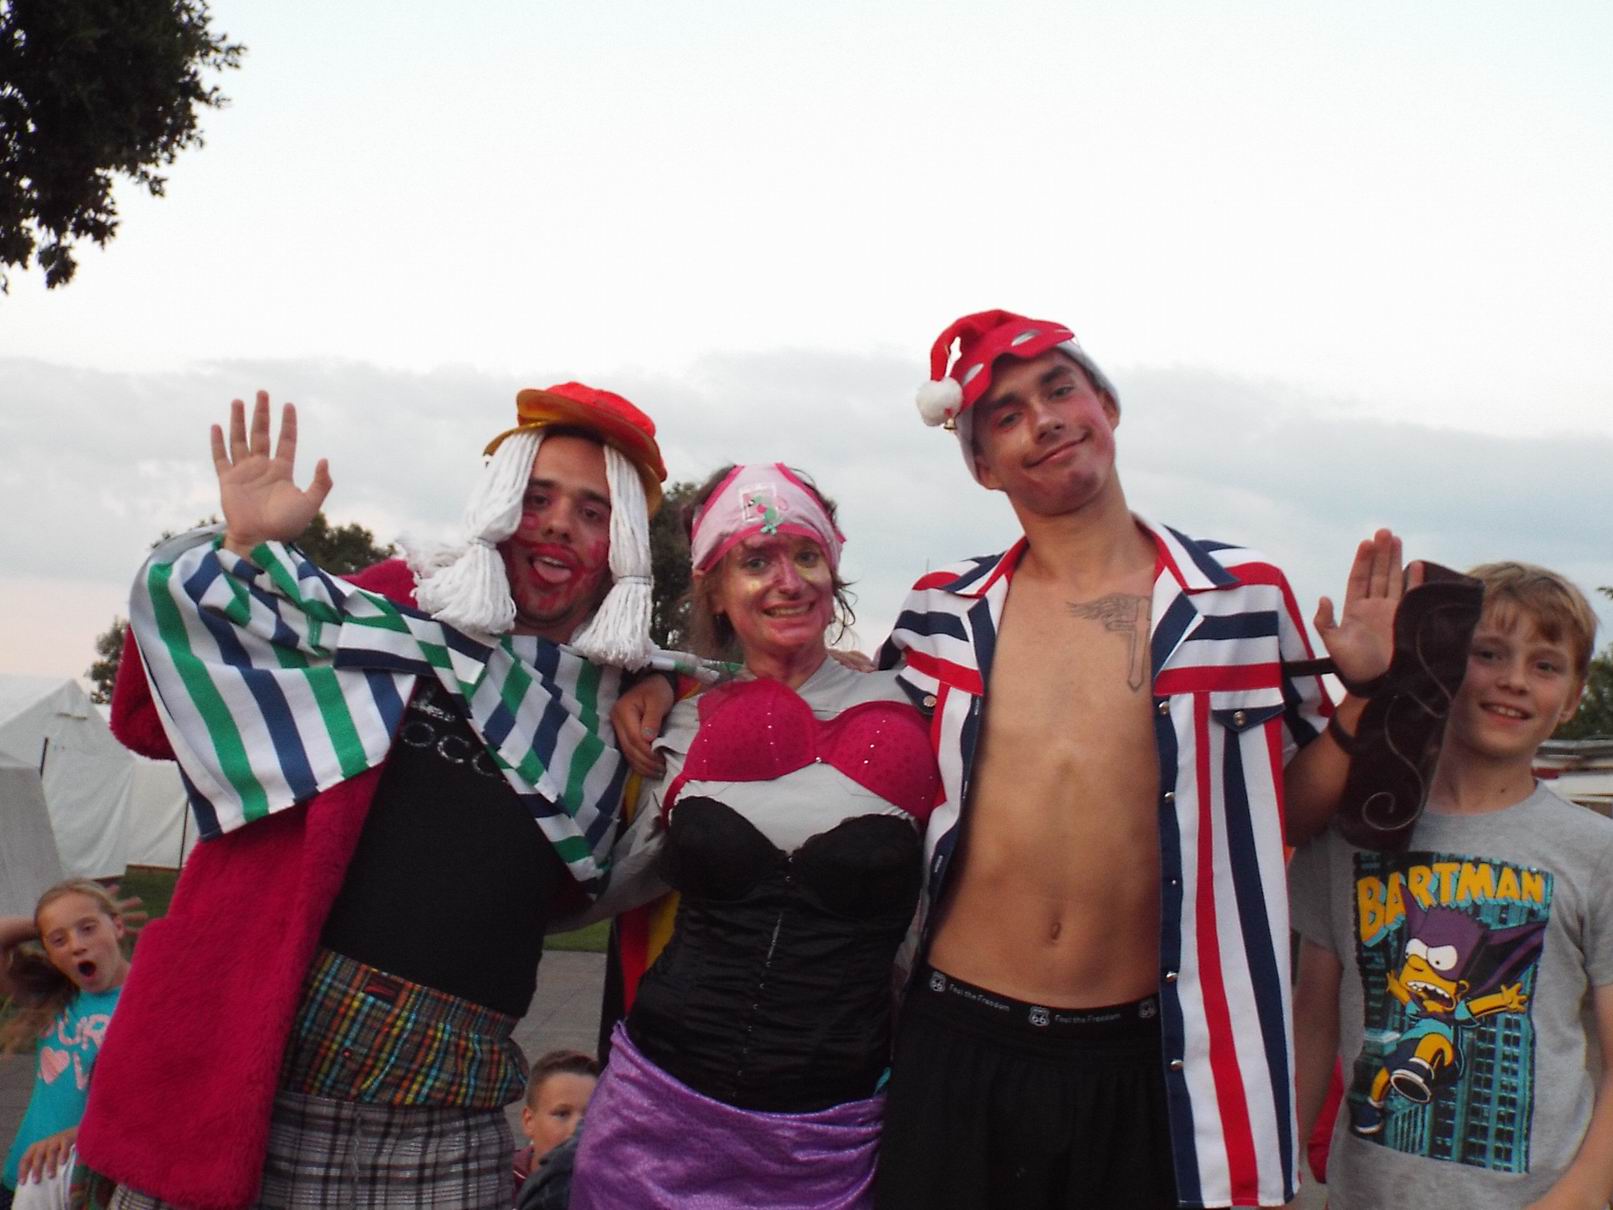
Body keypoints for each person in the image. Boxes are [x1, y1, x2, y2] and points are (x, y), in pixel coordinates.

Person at [610, 309, 1405, 1208]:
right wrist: (661, 681)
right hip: (960, 1038)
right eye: (1007, 415)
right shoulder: (940, 614)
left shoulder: (1238, 600)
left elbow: (1282, 810)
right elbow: (817, 689)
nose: (1045, 420)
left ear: (1106, 405)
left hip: (1148, 1049)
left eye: (1060, 390)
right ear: (983, 466)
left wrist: (1365, 698)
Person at [77, 384, 670, 1210]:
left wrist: (659, 682)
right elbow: (155, 718)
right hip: (270, 1070)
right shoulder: (401, 605)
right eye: (537, 498)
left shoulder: (616, 701)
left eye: (591, 511)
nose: (558, 523)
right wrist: (244, 549)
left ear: (620, 545)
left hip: (451, 1105)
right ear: (500, 505)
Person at [571, 463, 941, 1209]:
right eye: (755, 562)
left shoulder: (921, 713)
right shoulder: (676, 719)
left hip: (829, 1138)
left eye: (806, 556)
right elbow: (611, 878)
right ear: (712, 588)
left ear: (833, 574)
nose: (787, 582)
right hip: (653, 1114)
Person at [1290, 562, 1613, 1209]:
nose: (1513, 680)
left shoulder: (1595, 851)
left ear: (1572, 698)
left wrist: (1576, 1198)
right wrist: (1279, 1174)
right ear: (1439, 665)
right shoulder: (1354, 831)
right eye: (1486, 654)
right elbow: (1311, 1024)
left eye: (1545, 665)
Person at [1, 882, 131, 1210]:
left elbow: (157, 1105)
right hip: (23, 1178)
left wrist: (80, 1134)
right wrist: (45, 923)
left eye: (88, 928)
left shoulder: (148, 1003)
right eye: (59, 940)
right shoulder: (57, 996)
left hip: (85, 1190)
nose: (77, 946)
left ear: (117, 926)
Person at [512, 1050, 598, 1200]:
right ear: (529, 1121)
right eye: (562, 1114)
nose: (577, 1129)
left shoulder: (615, 1191)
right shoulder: (499, 1186)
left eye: (591, 1116)